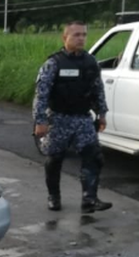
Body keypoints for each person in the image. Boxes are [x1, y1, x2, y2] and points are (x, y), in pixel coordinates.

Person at [34, 20, 111, 214]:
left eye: (84, 34)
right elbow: (41, 94)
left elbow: (98, 90)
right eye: (76, 35)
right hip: (59, 118)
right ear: (65, 37)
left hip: (83, 118)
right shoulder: (54, 63)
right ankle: (54, 197)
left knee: (94, 156)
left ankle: (89, 200)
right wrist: (40, 121)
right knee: (55, 159)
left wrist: (102, 113)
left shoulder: (91, 62)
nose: (81, 38)